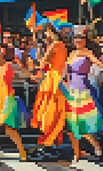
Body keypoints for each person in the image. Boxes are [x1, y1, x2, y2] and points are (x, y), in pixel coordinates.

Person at [63, 32, 103, 163]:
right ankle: (77, 153)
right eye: (76, 38)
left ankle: (95, 145)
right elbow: (66, 73)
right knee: (71, 125)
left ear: (85, 41)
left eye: (81, 38)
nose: (78, 40)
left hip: (82, 90)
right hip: (71, 90)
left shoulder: (87, 52)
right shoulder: (71, 54)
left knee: (81, 123)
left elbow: (98, 62)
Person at [31, 24, 67, 155]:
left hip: (52, 79)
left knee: (49, 110)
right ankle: (52, 140)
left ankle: (48, 141)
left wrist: (39, 52)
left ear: (49, 32)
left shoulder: (55, 45)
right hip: (57, 78)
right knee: (55, 111)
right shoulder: (62, 45)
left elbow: (42, 63)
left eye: (45, 33)